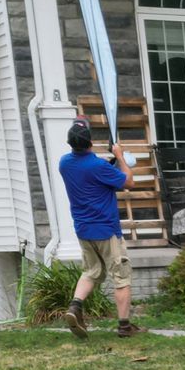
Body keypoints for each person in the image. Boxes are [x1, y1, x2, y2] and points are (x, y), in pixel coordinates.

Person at [57, 116, 140, 338]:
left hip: (83, 230)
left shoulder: (64, 163)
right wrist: (120, 156)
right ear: (90, 141)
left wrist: (109, 163)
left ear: (70, 143)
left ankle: (75, 306)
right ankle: (124, 326)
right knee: (120, 276)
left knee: (91, 272)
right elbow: (129, 182)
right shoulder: (98, 166)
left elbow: (93, 176)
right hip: (106, 230)